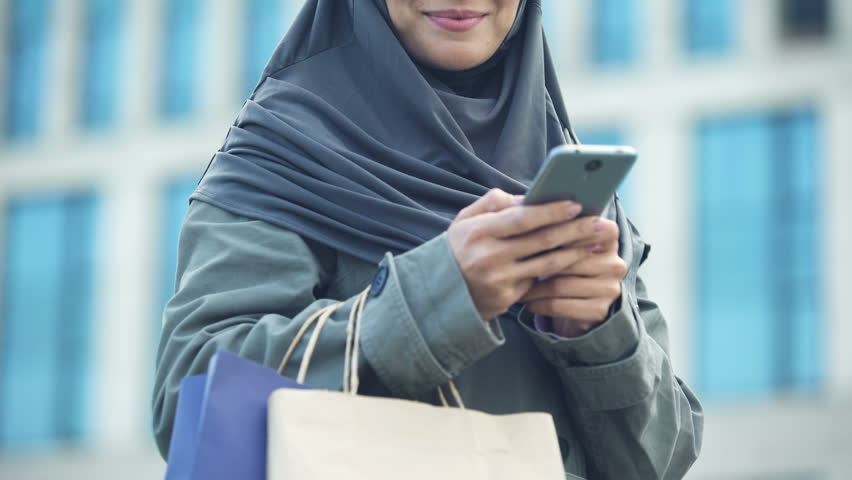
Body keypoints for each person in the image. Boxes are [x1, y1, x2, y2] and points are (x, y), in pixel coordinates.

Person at [152, 0, 703, 478]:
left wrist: (597, 333)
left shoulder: (561, 176)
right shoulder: (285, 155)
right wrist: (436, 296)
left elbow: (662, 461)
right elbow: (189, 402)